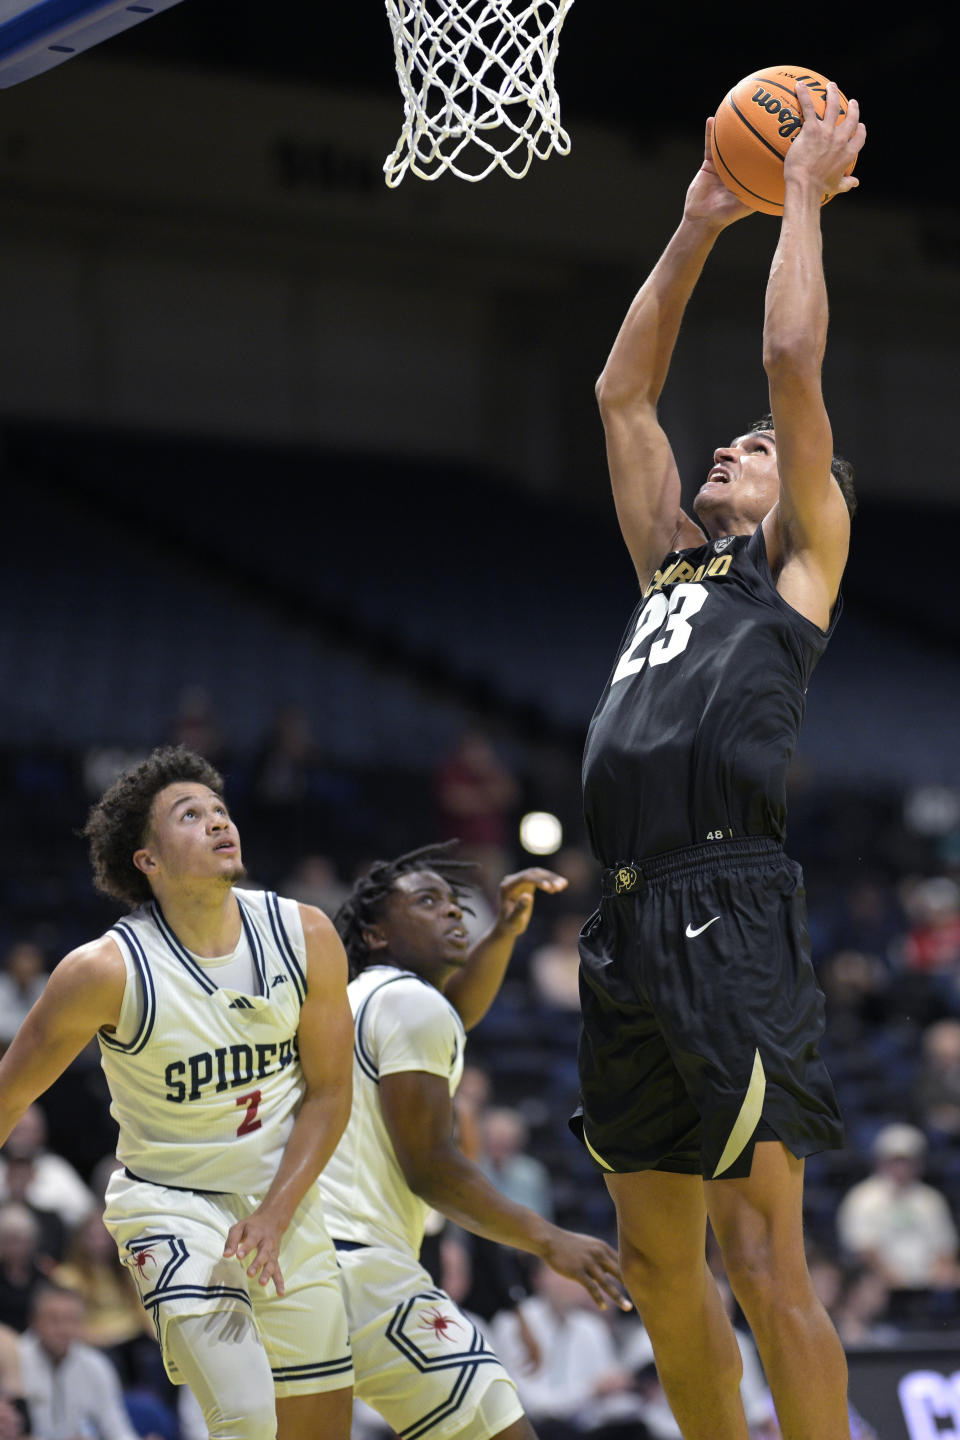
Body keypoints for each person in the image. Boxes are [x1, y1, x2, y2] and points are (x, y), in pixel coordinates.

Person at [572, 82, 866, 1440]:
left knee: (763, 1261)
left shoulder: (794, 573)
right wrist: (698, 221)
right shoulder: (667, 569)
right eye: (734, 443)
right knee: (654, 1261)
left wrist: (796, 190)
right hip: (625, 915)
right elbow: (622, 393)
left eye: (756, 452)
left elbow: (792, 366)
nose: (734, 446)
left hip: (729, 907)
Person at [0, 745, 355, 1440]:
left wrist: (278, 1214)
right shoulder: (105, 970)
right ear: (149, 861)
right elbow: (8, 1096)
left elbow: (331, 1093)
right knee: (247, 1415)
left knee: (318, 1430)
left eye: (220, 810)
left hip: (285, 1204)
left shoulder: (306, 934)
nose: (219, 822)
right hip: (171, 1205)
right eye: (190, 815)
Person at [320, 842, 630, 1440]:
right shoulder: (409, 1005)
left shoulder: (366, 1001)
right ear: (378, 934)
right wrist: (548, 1239)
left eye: (458, 904)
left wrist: (505, 932)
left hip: (314, 1267)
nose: (454, 913)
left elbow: (453, 1015)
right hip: (363, 1267)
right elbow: (431, 1168)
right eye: (429, 901)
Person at [835, 1121, 959, 1291]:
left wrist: (942, 1269)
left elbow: (945, 1245)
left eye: (908, 1161)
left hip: (929, 1278)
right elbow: (861, 1247)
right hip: (880, 1278)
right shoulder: (862, 1198)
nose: (902, 1167)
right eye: (896, 1161)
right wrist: (887, 1274)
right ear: (881, 1161)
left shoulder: (931, 1199)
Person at [18, 1283, 139, 1440]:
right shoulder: (15, 1359)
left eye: (72, 1320)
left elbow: (118, 1430)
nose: (64, 1329)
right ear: (34, 1321)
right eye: (54, 1320)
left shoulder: (96, 1365)